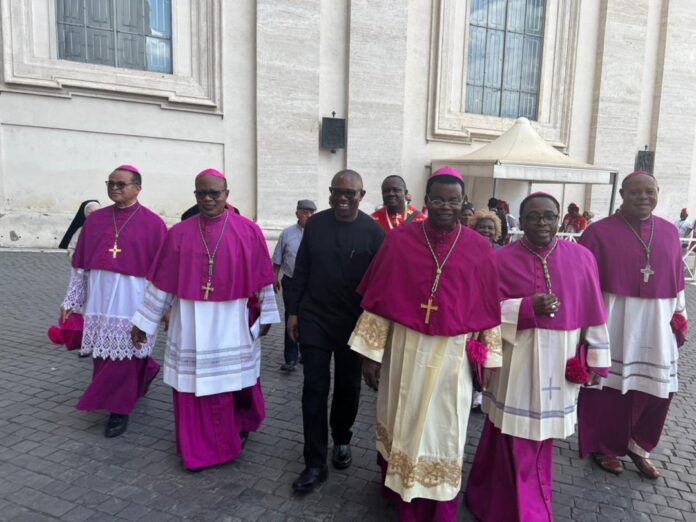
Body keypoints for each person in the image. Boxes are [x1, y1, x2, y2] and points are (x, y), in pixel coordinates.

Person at [350, 166, 502, 521]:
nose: (445, 206)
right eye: (438, 199)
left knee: (443, 428)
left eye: (453, 200)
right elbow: (381, 299)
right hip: (404, 349)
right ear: (424, 201)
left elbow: (488, 309)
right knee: (400, 417)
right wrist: (371, 356)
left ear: (463, 202)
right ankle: (397, 489)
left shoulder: (479, 249)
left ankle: (436, 502)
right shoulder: (401, 240)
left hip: (452, 360)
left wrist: (489, 360)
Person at [465, 192, 610, 521]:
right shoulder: (500, 260)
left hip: (561, 361)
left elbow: (594, 312)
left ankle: (502, 499)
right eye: (533, 216)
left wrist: (597, 359)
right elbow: (482, 313)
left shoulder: (582, 257)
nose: (541, 223)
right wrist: (528, 307)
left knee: (537, 439)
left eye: (548, 216)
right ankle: (524, 509)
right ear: (520, 220)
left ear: (559, 219)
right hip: (517, 360)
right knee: (511, 434)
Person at [131, 168, 280, 470]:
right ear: (195, 195)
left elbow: (263, 278)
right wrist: (143, 323)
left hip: (231, 322)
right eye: (202, 193)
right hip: (189, 322)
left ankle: (231, 435)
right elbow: (161, 284)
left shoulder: (248, 230)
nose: (209, 198)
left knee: (230, 385)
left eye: (215, 193)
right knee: (191, 387)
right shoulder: (179, 233)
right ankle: (197, 448)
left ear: (227, 194)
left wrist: (267, 314)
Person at [577, 171, 687, 479]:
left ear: (657, 193)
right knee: (612, 387)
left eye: (649, 192)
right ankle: (606, 447)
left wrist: (681, 317)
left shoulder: (667, 232)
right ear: (623, 194)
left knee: (660, 389)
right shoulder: (598, 233)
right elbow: (583, 283)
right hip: (616, 320)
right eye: (635, 192)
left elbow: (678, 281)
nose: (643, 197)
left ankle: (640, 446)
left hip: (658, 321)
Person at [288, 170, 385, 493]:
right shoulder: (315, 225)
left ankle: (341, 437)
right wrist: (292, 313)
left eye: (350, 193)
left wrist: (374, 334)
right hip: (315, 317)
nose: (342, 198)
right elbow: (300, 271)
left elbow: (379, 288)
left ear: (362, 194)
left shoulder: (374, 233)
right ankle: (314, 461)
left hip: (353, 324)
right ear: (329, 194)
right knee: (314, 388)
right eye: (336, 192)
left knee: (348, 387)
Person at [60, 165, 166, 438]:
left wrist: (162, 308)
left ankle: (119, 410)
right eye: (111, 183)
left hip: (133, 297)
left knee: (128, 351)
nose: (114, 188)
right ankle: (146, 372)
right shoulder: (95, 221)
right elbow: (81, 264)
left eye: (121, 184)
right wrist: (72, 300)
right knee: (103, 351)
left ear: (137, 188)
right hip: (99, 295)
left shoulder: (154, 223)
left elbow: (161, 272)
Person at [272, 199, 317, 372]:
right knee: (291, 315)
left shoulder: (318, 232)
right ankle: (290, 358)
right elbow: (277, 257)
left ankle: (306, 353)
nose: (309, 215)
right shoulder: (287, 233)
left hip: (312, 284)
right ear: (297, 213)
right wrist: (274, 277)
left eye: (312, 212)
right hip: (291, 281)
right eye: (305, 212)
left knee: (309, 319)